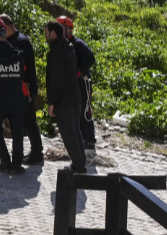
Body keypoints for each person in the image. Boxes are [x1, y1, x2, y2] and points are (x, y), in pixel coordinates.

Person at [0, 15, 42, 164]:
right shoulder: (11, 43)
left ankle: (37, 153)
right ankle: (19, 159)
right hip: (15, 91)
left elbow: (27, 69)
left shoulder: (22, 42)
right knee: (20, 125)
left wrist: (28, 91)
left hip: (24, 90)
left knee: (29, 122)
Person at [43, 20, 84, 173]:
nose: (45, 37)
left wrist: (52, 102)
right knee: (76, 132)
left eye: (46, 33)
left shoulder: (56, 53)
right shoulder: (69, 47)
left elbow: (56, 80)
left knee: (68, 134)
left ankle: (78, 166)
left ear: (54, 34)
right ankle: (81, 163)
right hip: (75, 97)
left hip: (64, 101)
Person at [56, 16, 95, 156]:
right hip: (72, 85)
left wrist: (80, 72)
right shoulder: (62, 44)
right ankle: (79, 140)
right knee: (75, 112)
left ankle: (90, 141)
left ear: (68, 29)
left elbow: (91, 57)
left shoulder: (77, 43)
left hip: (82, 83)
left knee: (85, 111)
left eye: (61, 28)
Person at [0, 23, 28, 173]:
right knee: (17, 133)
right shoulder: (16, 53)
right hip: (16, 99)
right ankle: (16, 165)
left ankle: (4, 161)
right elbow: (23, 71)